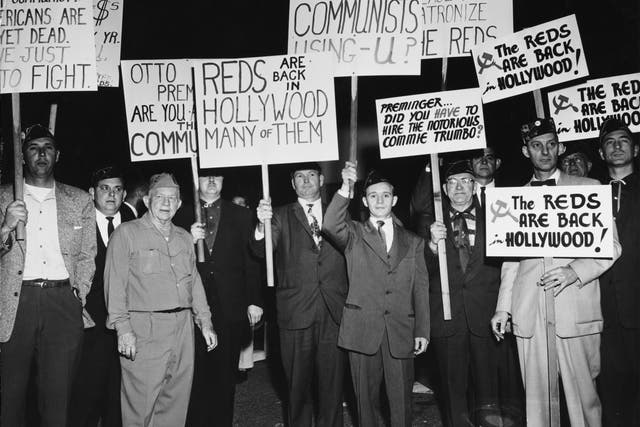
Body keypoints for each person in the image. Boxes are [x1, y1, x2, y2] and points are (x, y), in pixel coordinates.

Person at [491, 118, 621, 427]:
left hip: (574, 309)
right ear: (526, 151)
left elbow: (612, 246)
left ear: (560, 148)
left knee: (584, 402)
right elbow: (511, 261)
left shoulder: (589, 189)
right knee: (536, 407)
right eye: (537, 145)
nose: (545, 151)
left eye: (551, 144)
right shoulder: (512, 200)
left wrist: (574, 271)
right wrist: (502, 307)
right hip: (529, 313)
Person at [0, 124, 96, 427]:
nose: (41, 154)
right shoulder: (4, 198)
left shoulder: (79, 200)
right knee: (9, 399)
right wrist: (5, 227)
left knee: (57, 399)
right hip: (16, 305)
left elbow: (87, 255)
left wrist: (77, 295)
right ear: (22, 156)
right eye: (33, 147)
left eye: (48, 147)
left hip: (62, 303)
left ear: (58, 154)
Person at [104, 173, 217, 427]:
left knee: (175, 404)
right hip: (145, 329)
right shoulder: (126, 234)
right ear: (146, 200)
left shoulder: (184, 238)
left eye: (172, 198)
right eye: (160, 197)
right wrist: (123, 330)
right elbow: (115, 285)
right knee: (140, 407)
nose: (166, 203)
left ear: (179, 205)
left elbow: (194, 283)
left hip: (183, 329)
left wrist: (205, 322)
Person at [323, 162, 429, 427]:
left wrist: (423, 330)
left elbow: (420, 287)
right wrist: (345, 189)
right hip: (362, 330)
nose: (379, 200)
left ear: (394, 199)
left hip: (400, 331)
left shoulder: (413, 241)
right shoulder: (354, 234)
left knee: (402, 403)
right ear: (364, 200)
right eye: (373, 195)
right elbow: (329, 223)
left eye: (385, 195)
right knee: (365, 404)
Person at [253, 162, 348, 427]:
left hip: (334, 312)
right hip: (295, 313)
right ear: (292, 183)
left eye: (311, 175)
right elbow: (262, 252)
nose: (305, 181)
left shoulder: (339, 213)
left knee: (332, 386)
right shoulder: (280, 215)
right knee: (298, 387)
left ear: (321, 179)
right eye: (299, 176)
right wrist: (262, 226)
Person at [427, 160, 505, 427]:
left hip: (486, 317)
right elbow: (416, 272)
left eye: (465, 180)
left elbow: (509, 267)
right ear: (444, 190)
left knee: (489, 393)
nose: (459, 187)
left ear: (475, 186)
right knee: (452, 395)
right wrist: (431, 247)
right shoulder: (430, 222)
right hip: (448, 321)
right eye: (452, 182)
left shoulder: (497, 217)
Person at [182, 171, 262, 427]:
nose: (212, 182)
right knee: (195, 373)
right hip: (192, 305)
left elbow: (252, 259)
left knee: (226, 374)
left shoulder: (241, 215)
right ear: (196, 180)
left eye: (217, 176)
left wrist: (254, 300)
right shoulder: (181, 214)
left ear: (225, 181)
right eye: (206, 177)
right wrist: (186, 237)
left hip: (231, 304)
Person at [69, 165, 135, 427]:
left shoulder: (134, 224)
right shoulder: (77, 226)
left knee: (118, 398)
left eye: (117, 190)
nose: (111, 195)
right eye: (104, 189)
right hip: (90, 324)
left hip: (126, 325)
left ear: (125, 194)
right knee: (85, 394)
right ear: (91, 193)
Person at [596, 117, 640, 427]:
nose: (617, 145)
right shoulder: (588, 195)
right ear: (601, 154)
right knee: (609, 388)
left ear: (635, 149)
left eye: (623, 140)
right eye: (610, 142)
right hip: (602, 309)